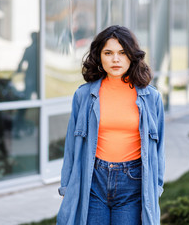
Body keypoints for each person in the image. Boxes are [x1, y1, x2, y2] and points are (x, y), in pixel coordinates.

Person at [56, 25, 165, 225]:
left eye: (122, 53)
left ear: (132, 56)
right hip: (93, 180)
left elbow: (158, 148)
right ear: (99, 56)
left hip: (132, 183)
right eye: (109, 53)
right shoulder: (84, 95)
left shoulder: (151, 98)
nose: (115, 59)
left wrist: (156, 187)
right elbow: (71, 147)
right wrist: (66, 188)